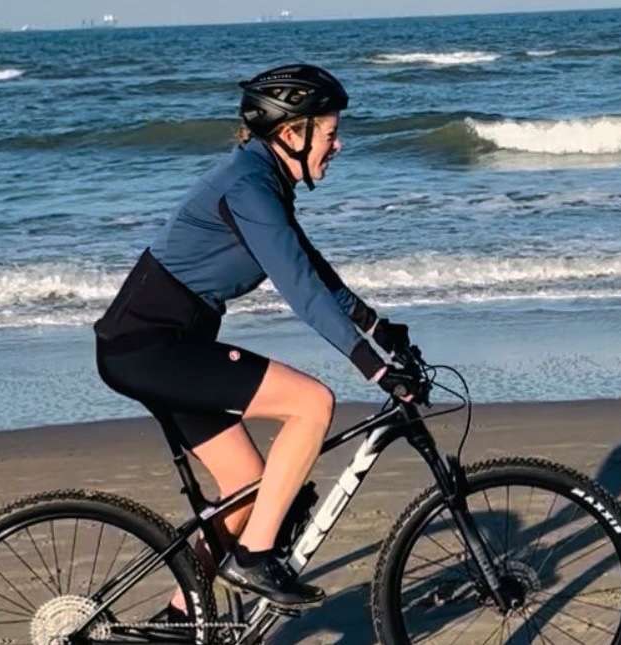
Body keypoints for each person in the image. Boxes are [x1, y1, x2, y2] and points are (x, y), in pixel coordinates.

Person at [93, 64, 424, 610]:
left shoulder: (263, 179)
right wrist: (375, 368)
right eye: (331, 132)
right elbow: (301, 291)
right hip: (151, 347)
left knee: (247, 486)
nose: (338, 145)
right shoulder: (249, 188)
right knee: (311, 404)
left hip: (162, 346)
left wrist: (378, 329)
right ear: (292, 133)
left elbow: (314, 272)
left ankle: (179, 619)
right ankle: (253, 559)